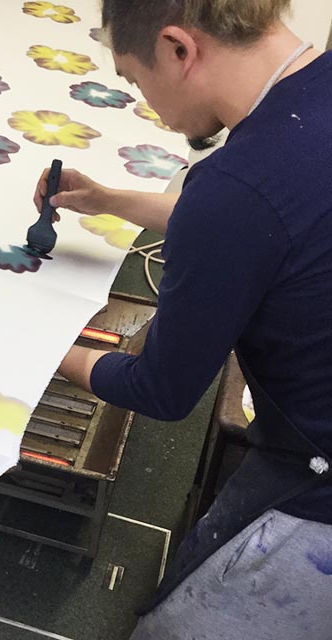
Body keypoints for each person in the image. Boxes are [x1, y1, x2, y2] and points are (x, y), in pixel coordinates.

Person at [34, 1, 332, 638]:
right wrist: (107, 200)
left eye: (135, 78)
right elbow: (266, 220)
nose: (148, 104)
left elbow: (160, 390)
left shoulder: (236, 186)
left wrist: (39, 348)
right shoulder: (315, 97)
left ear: (178, 49)